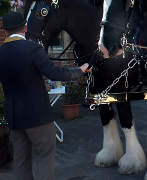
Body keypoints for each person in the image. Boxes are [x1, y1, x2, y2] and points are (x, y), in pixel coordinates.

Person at [0, 11, 90, 180]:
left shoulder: (1, 52)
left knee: (20, 161)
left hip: (13, 117)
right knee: (44, 157)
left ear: (5, 31)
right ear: (25, 28)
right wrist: (80, 70)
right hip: (37, 117)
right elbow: (55, 73)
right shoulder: (32, 49)